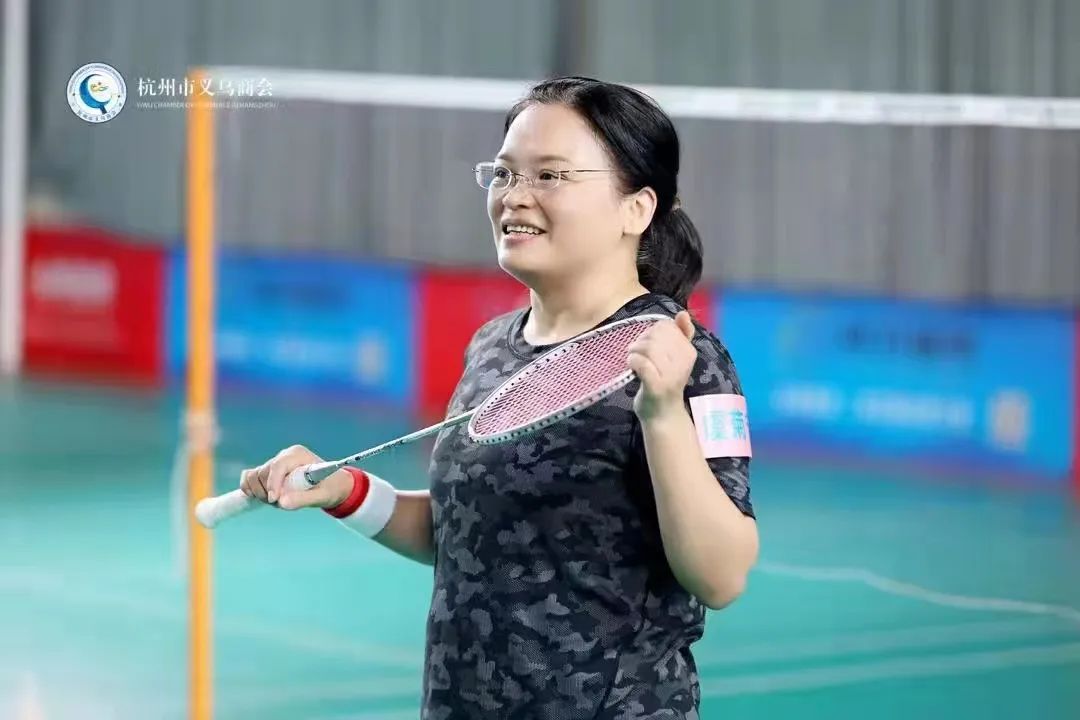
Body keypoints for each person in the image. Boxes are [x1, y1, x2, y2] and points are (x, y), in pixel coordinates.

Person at [241, 76, 759, 720]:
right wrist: (342, 490)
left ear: (636, 209)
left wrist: (661, 415)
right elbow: (466, 532)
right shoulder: (492, 346)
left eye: (550, 175)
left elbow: (722, 575)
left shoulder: (682, 355)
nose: (515, 195)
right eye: (505, 173)